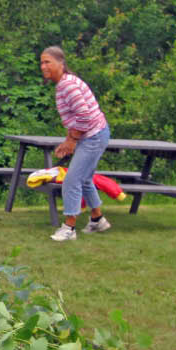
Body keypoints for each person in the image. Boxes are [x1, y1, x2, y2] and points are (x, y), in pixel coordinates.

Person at [40, 46, 111, 241]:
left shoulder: (68, 85)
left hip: (94, 135)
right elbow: (76, 118)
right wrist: (68, 140)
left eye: (47, 62)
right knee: (85, 179)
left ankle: (69, 228)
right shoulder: (63, 84)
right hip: (94, 134)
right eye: (42, 62)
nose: (43, 66)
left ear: (61, 63)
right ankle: (97, 220)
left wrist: (72, 140)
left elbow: (84, 116)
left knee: (71, 180)